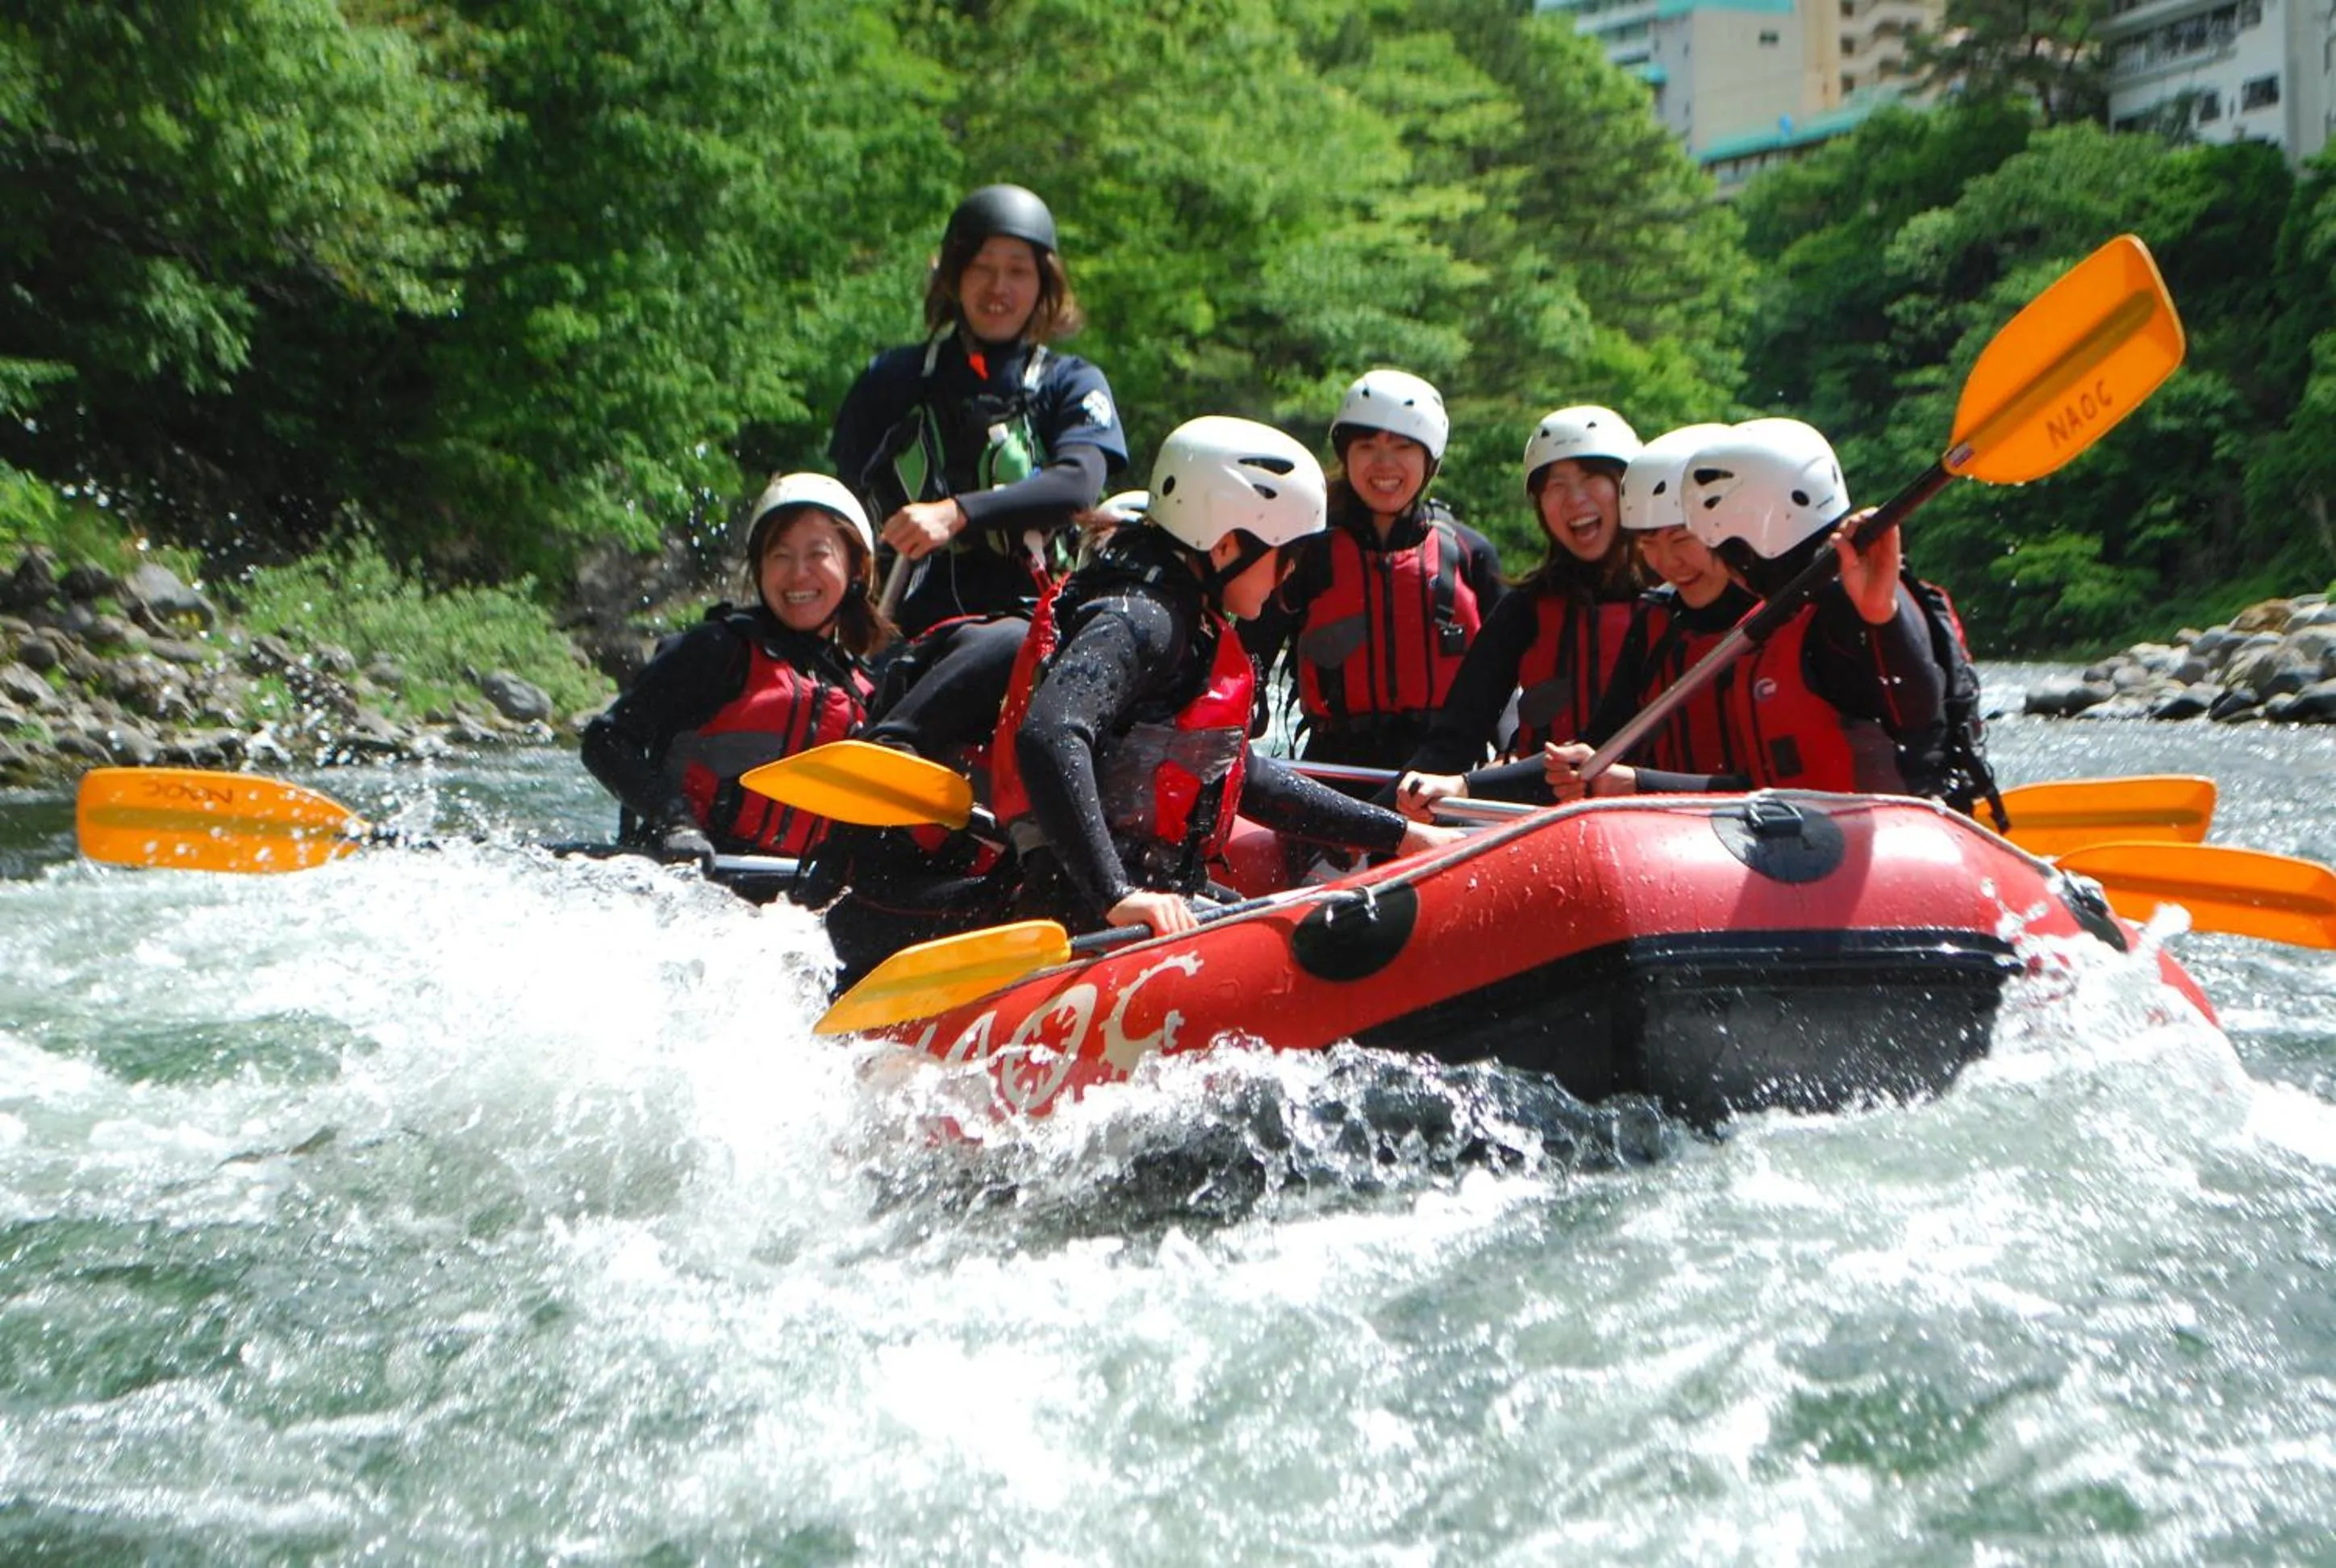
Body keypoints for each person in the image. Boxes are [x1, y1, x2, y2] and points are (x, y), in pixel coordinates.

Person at [995, 415, 1466, 937]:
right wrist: (1117, 895)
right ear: (1225, 546)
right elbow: (1051, 733)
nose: (1290, 574)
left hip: (1146, 894)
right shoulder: (1142, 620)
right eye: (1288, 555)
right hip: (1086, 915)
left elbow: (1245, 777)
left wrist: (1400, 836)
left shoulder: (1182, 619)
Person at [1535, 417, 1946, 803]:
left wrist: (1881, 615)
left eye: (1707, 540)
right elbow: (1767, 792)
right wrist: (1637, 783)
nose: (1675, 561)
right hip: (1797, 845)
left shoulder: (1850, 603)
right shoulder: (1772, 618)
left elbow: (1924, 728)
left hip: (1890, 850)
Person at [828, 183, 1128, 639]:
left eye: (1017, 272)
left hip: (1033, 630)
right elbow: (840, 502)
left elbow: (1078, 483)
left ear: (1043, 283)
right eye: (982, 268)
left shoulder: (1070, 382)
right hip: (905, 629)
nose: (998, 288)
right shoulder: (891, 379)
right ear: (954, 276)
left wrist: (955, 512)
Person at [581, 473, 886, 869]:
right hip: (687, 878)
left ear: (856, 569)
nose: (798, 575)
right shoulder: (716, 649)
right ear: (759, 568)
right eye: (780, 555)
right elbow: (605, 741)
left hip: (793, 900)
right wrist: (676, 823)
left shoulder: (869, 694)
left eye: (818, 554)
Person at [1241, 369, 1506, 772]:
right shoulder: (1306, 551)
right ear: (1346, 456)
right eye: (1367, 446)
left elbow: (1508, 676)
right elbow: (1247, 661)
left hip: (1447, 775)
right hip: (1336, 772)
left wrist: (1508, 752)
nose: (1384, 464)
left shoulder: (1471, 554)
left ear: (1429, 460)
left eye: (1402, 447)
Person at [1391, 406, 1648, 806]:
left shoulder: (1676, 601)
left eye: (1591, 478)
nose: (1574, 499)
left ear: (1627, 487)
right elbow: (1454, 739)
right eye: (1555, 485)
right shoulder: (1525, 610)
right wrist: (1361, 825)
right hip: (1545, 818)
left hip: (1663, 818)